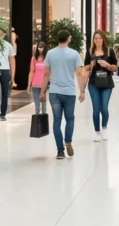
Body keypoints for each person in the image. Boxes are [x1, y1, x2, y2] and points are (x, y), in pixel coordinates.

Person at [41, 30, 86, 160]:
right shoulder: (74, 54)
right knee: (70, 119)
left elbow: (46, 74)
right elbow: (79, 74)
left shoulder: (50, 53)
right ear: (69, 39)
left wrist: (43, 91)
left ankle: (60, 151)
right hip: (69, 92)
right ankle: (68, 141)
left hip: (54, 91)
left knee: (56, 121)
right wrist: (82, 91)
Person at [84, 31, 117, 142]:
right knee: (96, 109)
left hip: (107, 83)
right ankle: (97, 132)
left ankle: (104, 128)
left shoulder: (110, 51)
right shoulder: (90, 51)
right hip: (93, 83)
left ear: (103, 39)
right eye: (95, 38)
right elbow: (85, 67)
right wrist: (91, 65)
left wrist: (107, 65)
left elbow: (115, 68)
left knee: (104, 108)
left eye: (99, 38)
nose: (97, 40)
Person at [0, 26, 15, 121]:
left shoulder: (8, 45)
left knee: (4, 92)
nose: (0, 34)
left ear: (5, 35)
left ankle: (2, 113)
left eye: (2, 33)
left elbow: (12, 60)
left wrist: (13, 75)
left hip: (5, 70)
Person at [28, 42, 48, 115]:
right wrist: (29, 85)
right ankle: (37, 120)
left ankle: (44, 122)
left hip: (44, 85)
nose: (40, 48)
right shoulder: (34, 58)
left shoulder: (47, 59)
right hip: (35, 84)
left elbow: (49, 72)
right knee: (37, 105)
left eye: (42, 47)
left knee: (44, 104)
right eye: (39, 47)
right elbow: (31, 71)